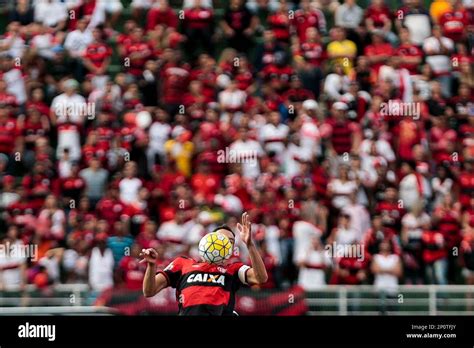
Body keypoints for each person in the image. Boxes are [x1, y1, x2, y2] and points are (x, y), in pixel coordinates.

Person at [141, 212, 268, 315]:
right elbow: (149, 291)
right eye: (220, 239)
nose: (224, 244)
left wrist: (250, 245)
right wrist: (152, 266)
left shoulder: (234, 269)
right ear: (208, 241)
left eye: (230, 241)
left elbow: (260, 278)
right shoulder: (182, 263)